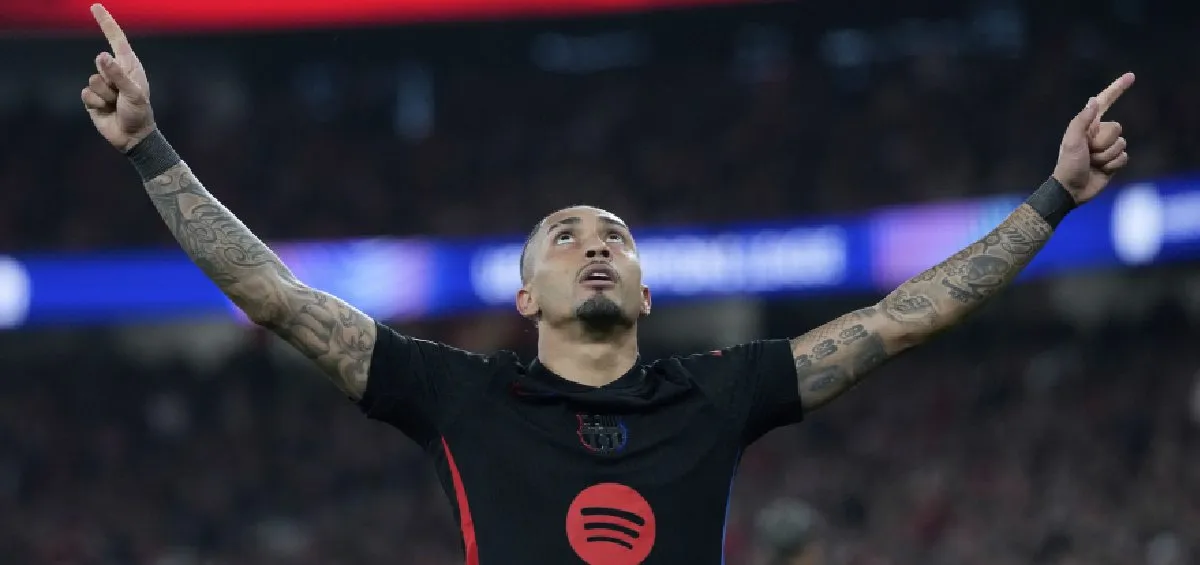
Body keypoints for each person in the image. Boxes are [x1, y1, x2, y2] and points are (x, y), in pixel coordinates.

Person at [79, 4, 1133, 563]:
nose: (595, 246)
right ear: (525, 297)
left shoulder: (717, 392)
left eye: (617, 238)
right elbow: (274, 294)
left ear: (645, 290)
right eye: (566, 236)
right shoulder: (460, 394)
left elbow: (902, 319)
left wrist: (1055, 196)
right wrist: (147, 147)